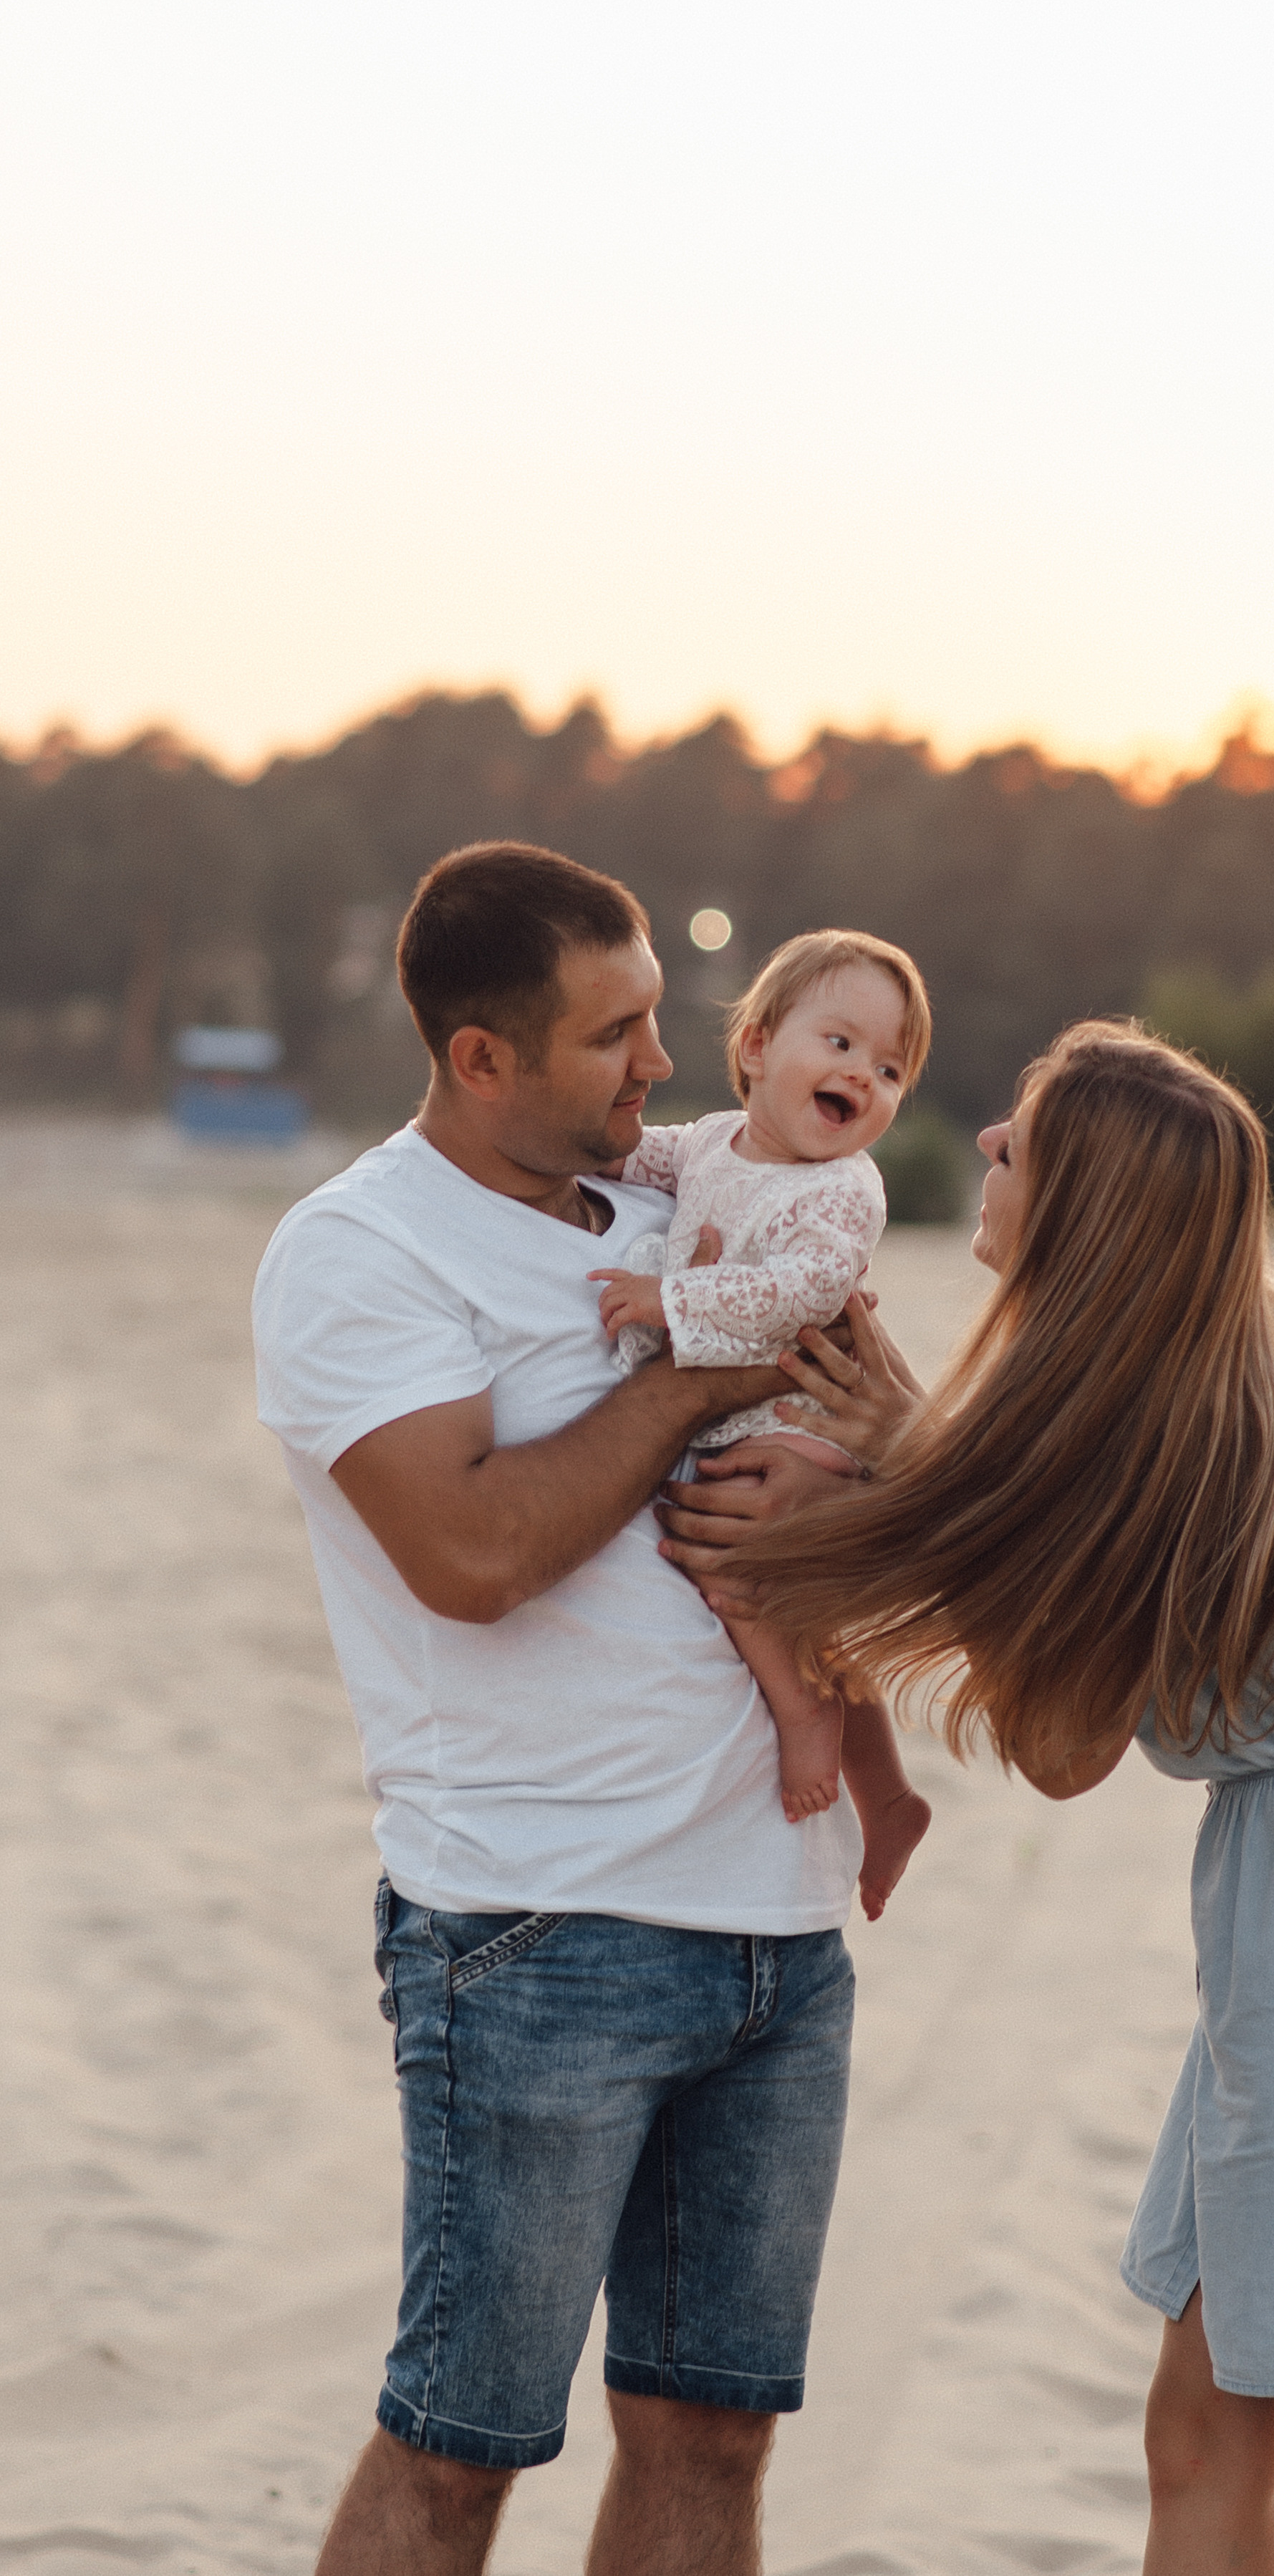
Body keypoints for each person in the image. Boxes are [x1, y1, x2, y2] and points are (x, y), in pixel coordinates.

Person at [658, 1018, 1274, 2576]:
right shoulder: (1187, 1359)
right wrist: (920, 1458)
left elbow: (1065, 1743)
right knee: (1198, 2437)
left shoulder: (1168, 1416)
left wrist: (892, 1492)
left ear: (1089, 1206)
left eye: (1021, 1135)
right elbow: (1065, 1539)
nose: (988, 1148)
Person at [251, 840, 865, 2576]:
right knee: (459, 2448)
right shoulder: (357, 1253)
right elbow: (476, 1551)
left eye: (660, 1018)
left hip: (777, 1928)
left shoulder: (687, 1219)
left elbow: (846, 1442)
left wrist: (852, 1466)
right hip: (534, 1930)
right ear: (481, 1059)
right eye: (615, 1035)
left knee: (715, 2440)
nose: (661, 1065)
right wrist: (693, 1380)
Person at [590, 926, 933, 1911]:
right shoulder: (707, 1143)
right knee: (808, 1609)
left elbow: (802, 1291)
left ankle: (802, 1720)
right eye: (838, 1045)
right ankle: (889, 1794)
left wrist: (668, 1304)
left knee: (735, 1563)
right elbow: (625, 1157)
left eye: (889, 1067)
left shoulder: (843, 1189)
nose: (861, 1076)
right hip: (742, 1414)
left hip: (800, 1415)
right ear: (754, 1049)